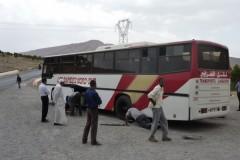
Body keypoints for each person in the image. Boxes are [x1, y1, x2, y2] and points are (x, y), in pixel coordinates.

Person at [147, 78, 171, 142]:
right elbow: (149, 95)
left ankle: (164, 136)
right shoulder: (157, 88)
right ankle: (151, 137)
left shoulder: (161, 88)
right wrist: (154, 102)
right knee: (155, 122)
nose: (163, 82)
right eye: (162, 82)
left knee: (164, 121)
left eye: (163, 81)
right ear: (159, 82)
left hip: (159, 106)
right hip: (156, 107)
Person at [82, 80, 102, 145]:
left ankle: (84, 139)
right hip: (94, 110)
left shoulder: (87, 91)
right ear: (94, 85)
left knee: (88, 124)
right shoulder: (94, 93)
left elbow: (84, 101)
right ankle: (93, 141)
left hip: (88, 109)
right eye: (96, 85)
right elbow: (99, 102)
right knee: (94, 125)